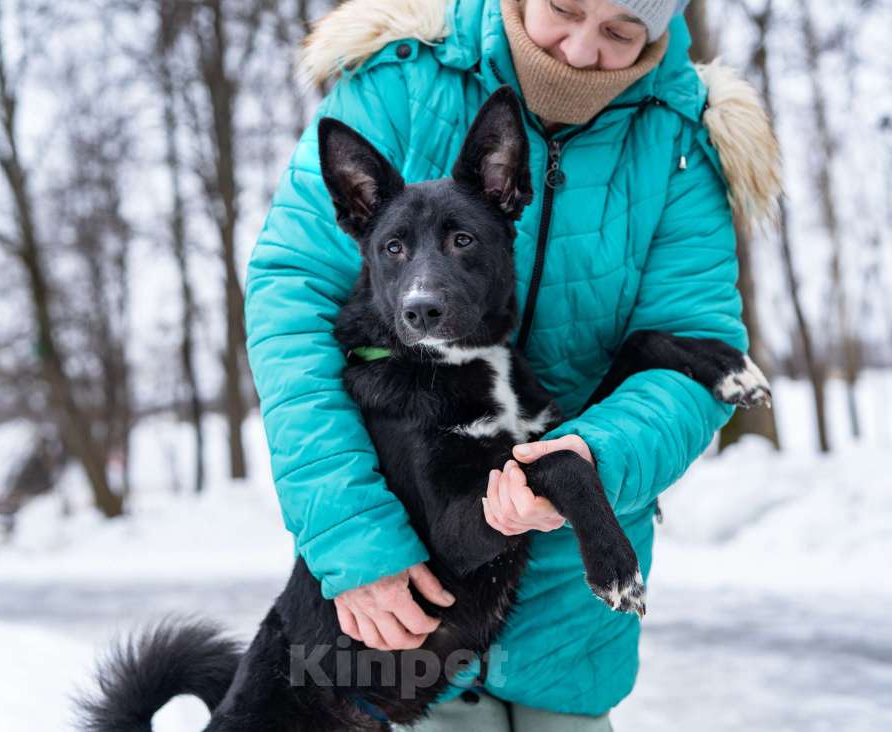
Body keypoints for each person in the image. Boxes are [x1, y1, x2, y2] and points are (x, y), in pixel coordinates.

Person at [245, 0, 781, 729]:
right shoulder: (402, 75)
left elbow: (684, 345)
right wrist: (351, 537)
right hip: (382, 640)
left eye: (621, 32)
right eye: (564, 9)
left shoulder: (684, 141)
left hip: (571, 613)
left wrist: (594, 456)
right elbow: (290, 299)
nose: (581, 47)